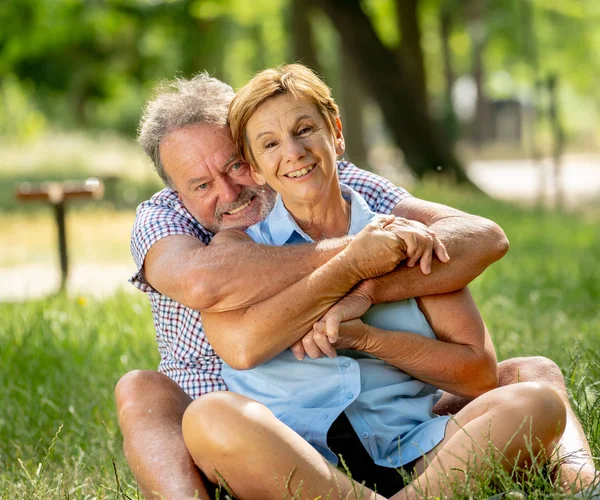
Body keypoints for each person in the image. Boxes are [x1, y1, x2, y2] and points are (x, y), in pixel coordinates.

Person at [115, 72, 597, 499]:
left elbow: (482, 241)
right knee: (187, 408)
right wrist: (352, 263)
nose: (229, 191)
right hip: (263, 434)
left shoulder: (364, 202)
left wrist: (365, 310)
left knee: (534, 388)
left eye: (234, 166)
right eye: (201, 184)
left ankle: (581, 488)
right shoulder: (203, 238)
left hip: (402, 433)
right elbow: (212, 295)